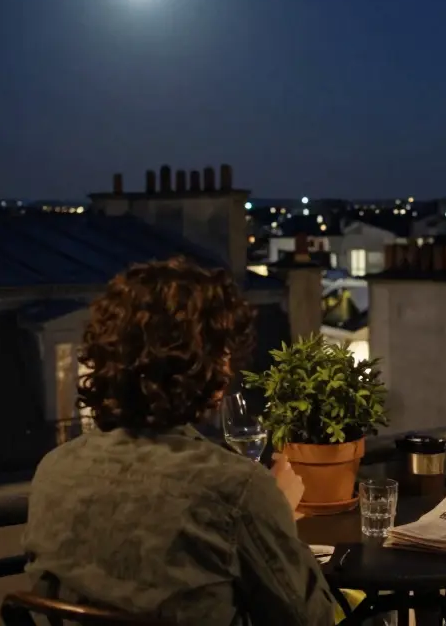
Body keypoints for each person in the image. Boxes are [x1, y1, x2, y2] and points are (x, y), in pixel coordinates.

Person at [22, 257, 337, 626]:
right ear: (199, 366)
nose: (228, 367)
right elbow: (310, 619)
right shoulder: (235, 488)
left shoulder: (53, 470)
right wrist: (277, 510)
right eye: (220, 351)